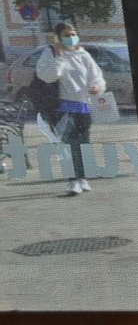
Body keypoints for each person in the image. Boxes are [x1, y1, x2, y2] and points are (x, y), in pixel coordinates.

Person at [35, 22, 107, 196]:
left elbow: (97, 76)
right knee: (69, 144)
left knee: (83, 144)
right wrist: (59, 57)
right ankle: (73, 181)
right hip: (63, 107)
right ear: (58, 37)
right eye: (66, 35)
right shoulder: (50, 53)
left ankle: (82, 178)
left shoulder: (83, 55)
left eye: (73, 34)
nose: (70, 38)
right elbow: (48, 76)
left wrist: (97, 87)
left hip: (83, 106)